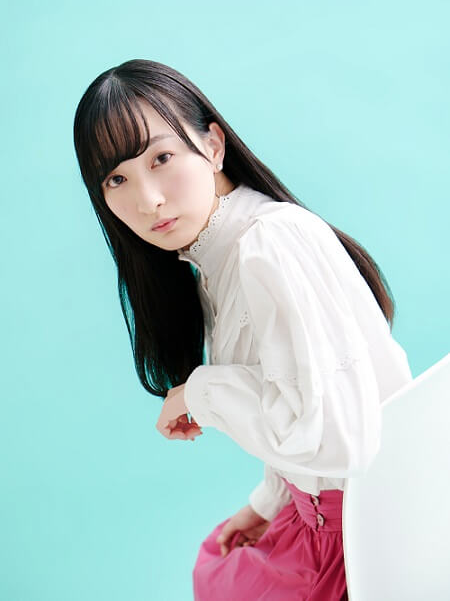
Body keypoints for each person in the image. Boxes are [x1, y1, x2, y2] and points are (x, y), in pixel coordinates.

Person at [73, 59, 413, 600]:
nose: (147, 199)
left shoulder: (269, 244)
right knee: (218, 568)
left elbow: (341, 439)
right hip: (321, 520)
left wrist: (199, 393)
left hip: (372, 540)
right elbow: (301, 400)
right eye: (117, 178)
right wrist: (269, 503)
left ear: (212, 146)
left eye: (161, 158)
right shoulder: (215, 256)